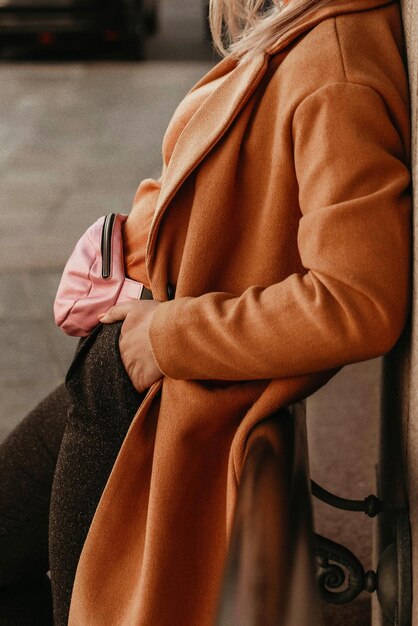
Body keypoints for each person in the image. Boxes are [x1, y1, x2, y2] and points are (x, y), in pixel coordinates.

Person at [0, 0, 412, 624]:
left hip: (158, 391)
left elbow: (359, 299)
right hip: (130, 375)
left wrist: (165, 336)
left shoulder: (336, 64)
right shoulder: (305, 31)